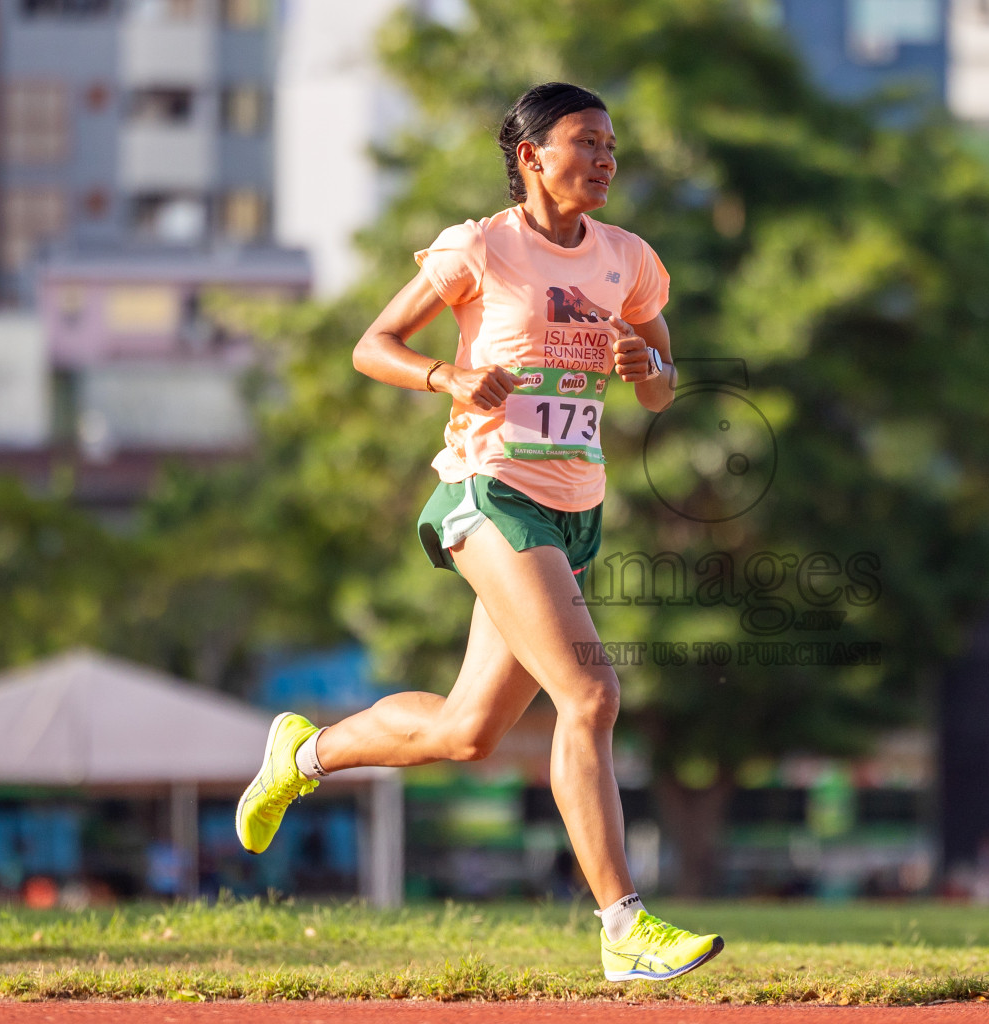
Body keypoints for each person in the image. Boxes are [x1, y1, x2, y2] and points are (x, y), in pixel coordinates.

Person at [235, 82, 723, 983]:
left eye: (614, 145)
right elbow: (370, 342)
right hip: (488, 493)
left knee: (467, 735)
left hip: (575, 509)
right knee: (590, 697)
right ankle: (624, 925)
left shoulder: (628, 259)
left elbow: (662, 385)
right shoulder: (479, 247)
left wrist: (646, 363)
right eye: (587, 142)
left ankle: (303, 753)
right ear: (533, 156)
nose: (608, 160)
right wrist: (444, 380)